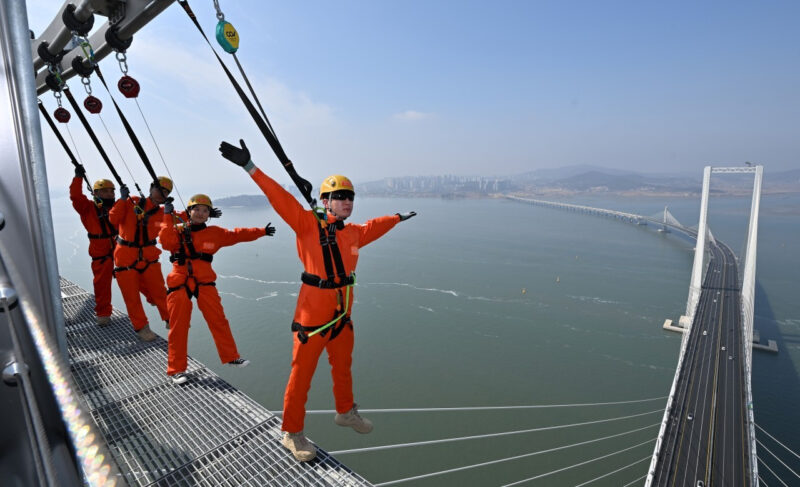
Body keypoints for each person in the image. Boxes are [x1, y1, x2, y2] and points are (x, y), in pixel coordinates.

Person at [219, 139, 416, 462]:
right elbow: (280, 198)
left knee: (343, 368)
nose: (346, 201)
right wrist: (250, 167)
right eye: (339, 196)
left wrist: (396, 217)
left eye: (349, 196)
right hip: (312, 318)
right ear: (325, 201)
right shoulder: (307, 225)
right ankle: (292, 432)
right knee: (301, 376)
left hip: (341, 316)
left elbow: (373, 227)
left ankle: (345, 412)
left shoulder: (352, 233)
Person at [159, 193, 275, 385]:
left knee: (218, 319)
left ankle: (230, 356)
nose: (200, 213)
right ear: (189, 212)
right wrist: (166, 215)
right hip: (180, 282)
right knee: (178, 326)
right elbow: (165, 242)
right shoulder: (177, 230)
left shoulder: (215, 233)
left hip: (204, 282)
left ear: (209, 215)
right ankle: (176, 370)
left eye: (205, 211)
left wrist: (262, 231)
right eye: (196, 209)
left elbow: (238, 234)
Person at [109, 176, 174, 341]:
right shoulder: (132, 202)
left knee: (160, 291)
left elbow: (183, 219)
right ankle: (142, 328)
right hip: (125, 257)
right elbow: (113, 219)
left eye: (165, 192)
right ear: (151, 188)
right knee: (132, 297)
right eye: (159, 189)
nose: (161, 193)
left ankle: (169, 318)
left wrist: (202, 213)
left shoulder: (163, 213)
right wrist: (122, 200)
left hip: (148, 257)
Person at [70, 164, 117, 326]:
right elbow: (76, 197)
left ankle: (154, 298)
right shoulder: (88, 208)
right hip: (101, 251)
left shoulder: (117, 207)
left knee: (139, 274)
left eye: (111, 191)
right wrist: (78, 178)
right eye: (105, 191)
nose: (109, 194)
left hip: (118, 247)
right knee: (102, 284)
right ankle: (103, 313)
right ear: (96, 193)